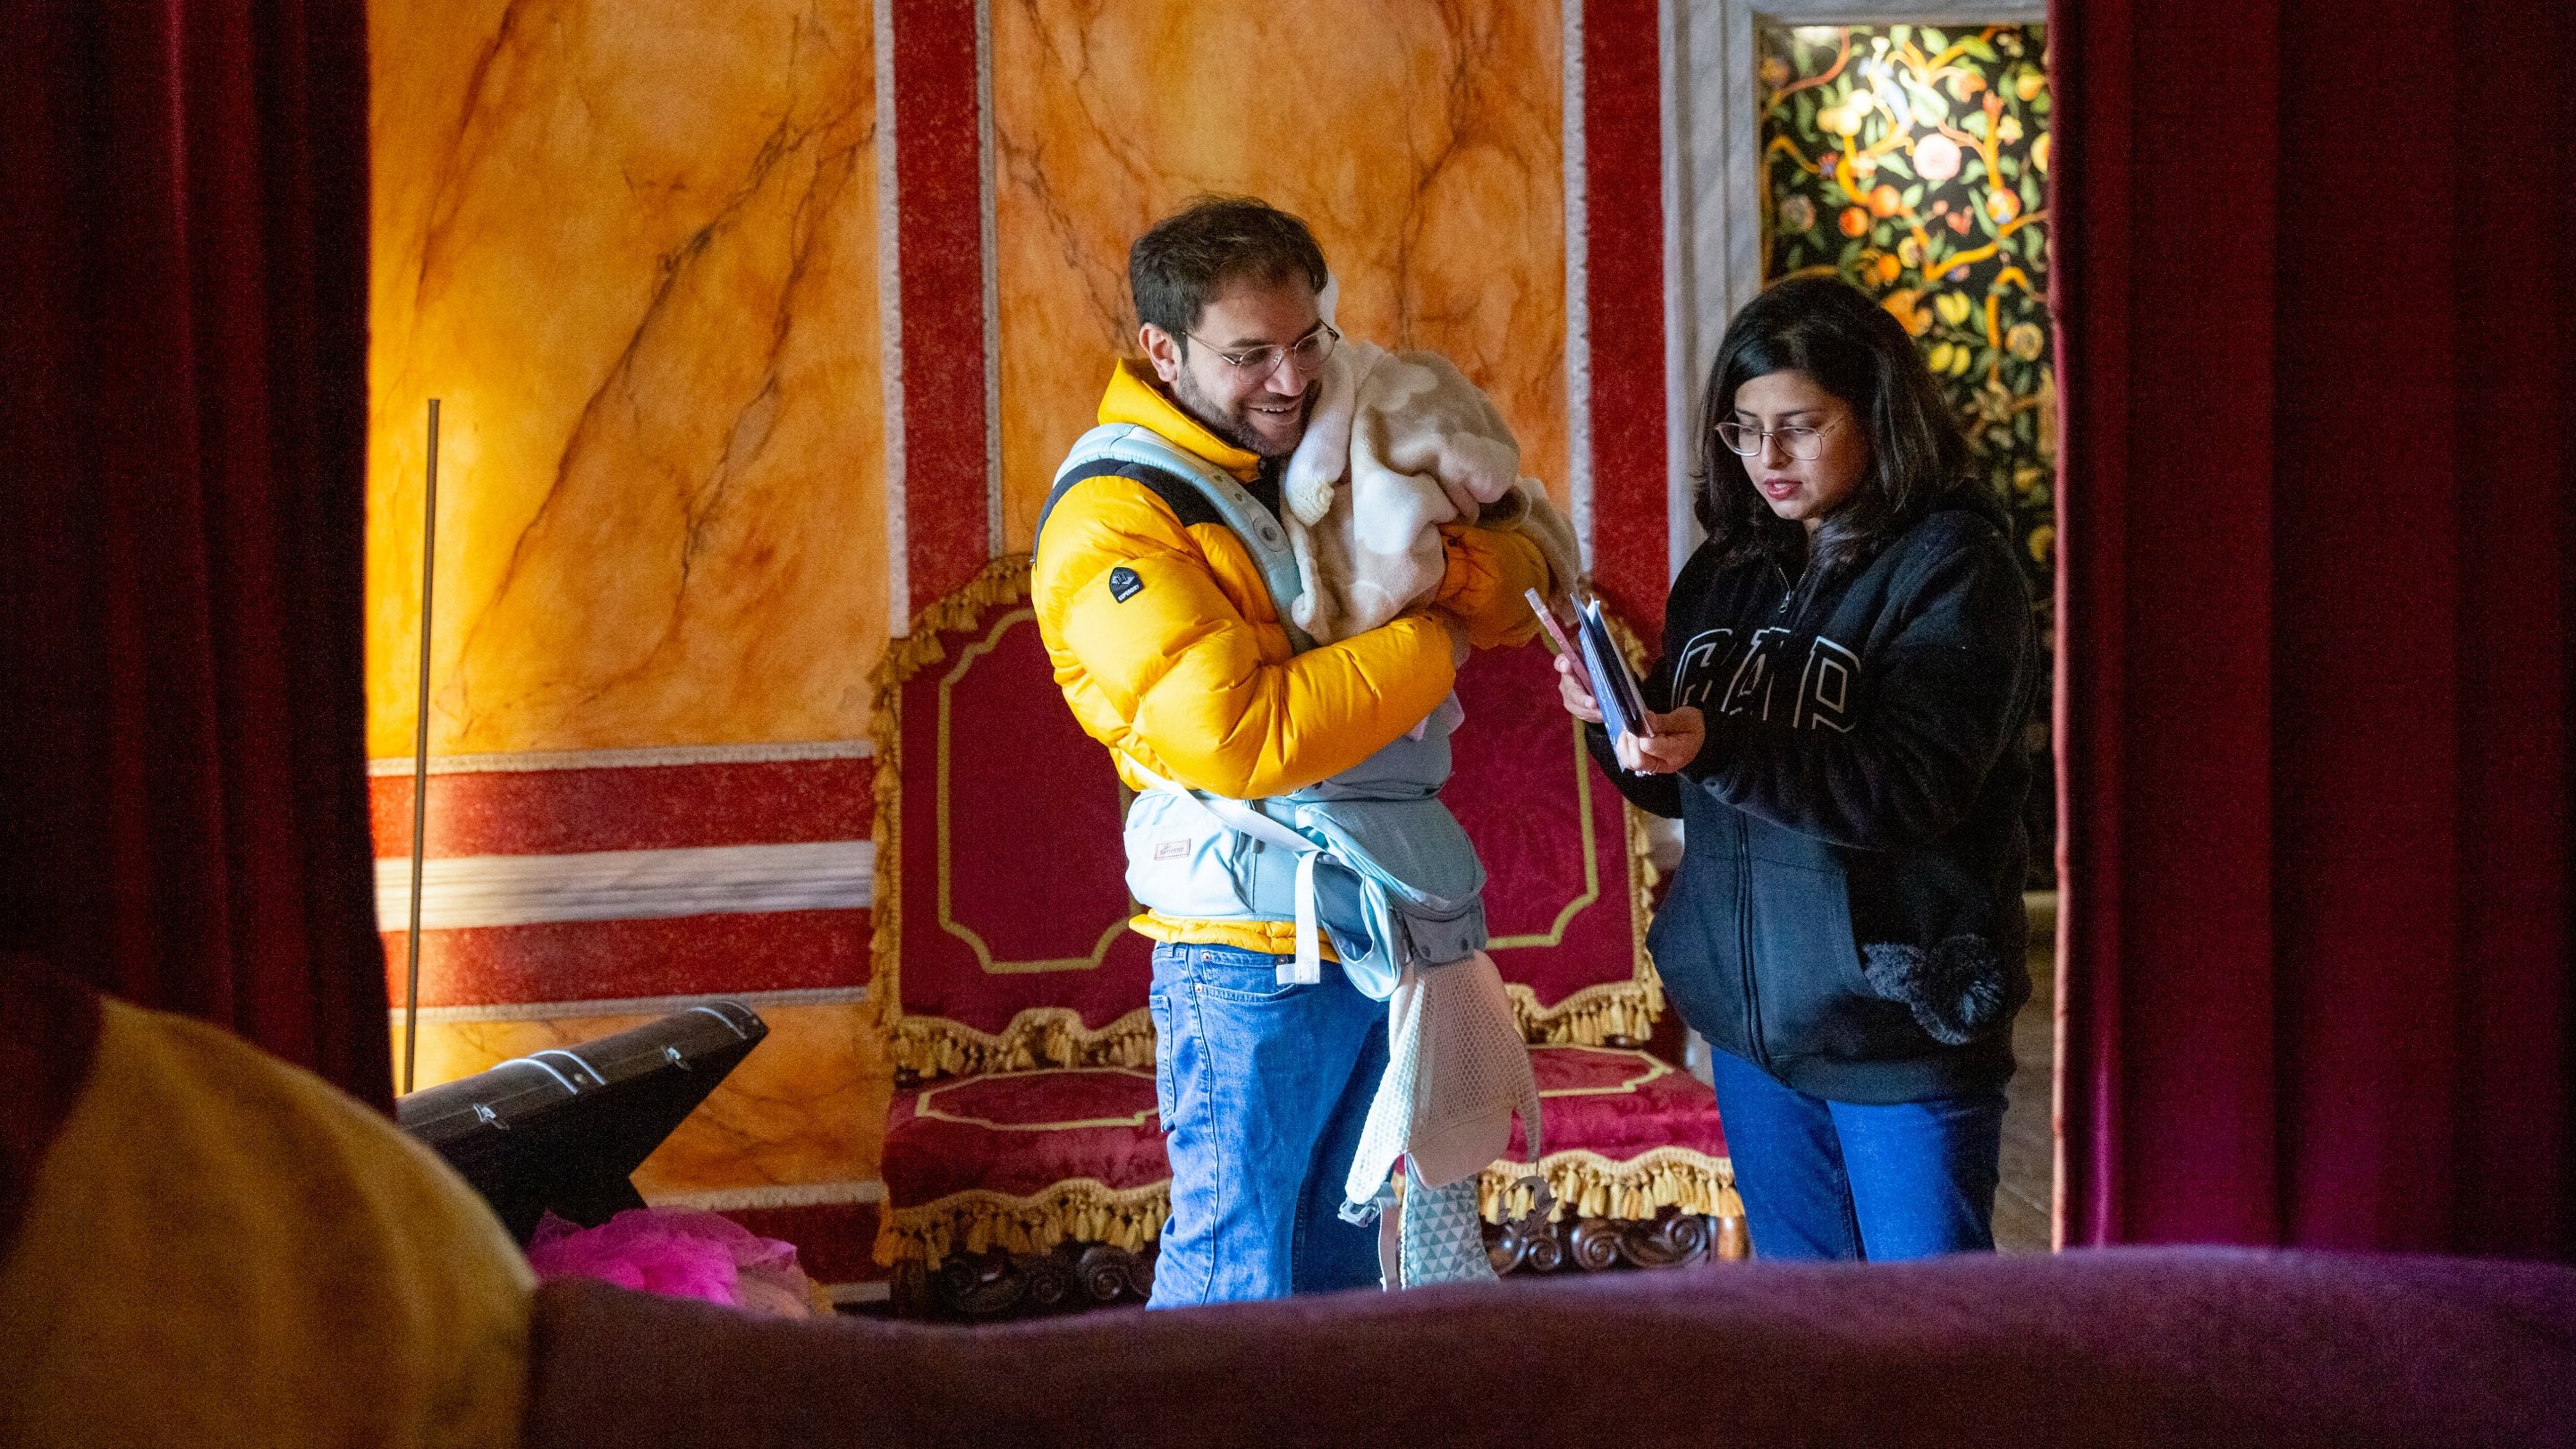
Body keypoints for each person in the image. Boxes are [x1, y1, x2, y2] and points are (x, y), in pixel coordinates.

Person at [1030, 196, 1551, 1304]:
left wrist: (1462, 578)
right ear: (1163, 351)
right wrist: (1435, 627)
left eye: (1307, 339)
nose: (1289, 377)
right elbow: (1240, 735)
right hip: (1242, 946)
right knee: (1237, 1269)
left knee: (1334, 1270)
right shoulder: (1111, 518)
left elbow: (1536, 582)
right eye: (1250, 354)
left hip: (1378, 916)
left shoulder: (1339, 419)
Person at [1556, 275, 2038, 1260]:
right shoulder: (1726, 568)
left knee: (1930, 1346)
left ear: (1877, 415)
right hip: (1754, 1022)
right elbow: (1686, 788)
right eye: (1743, 428)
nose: (1766, 458)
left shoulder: (1955, 566)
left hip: (1895, 1024)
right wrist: (1626, 730)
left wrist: (1721, 743)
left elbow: (1909, 788)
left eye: (1800, 425)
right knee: (1804, 1339)